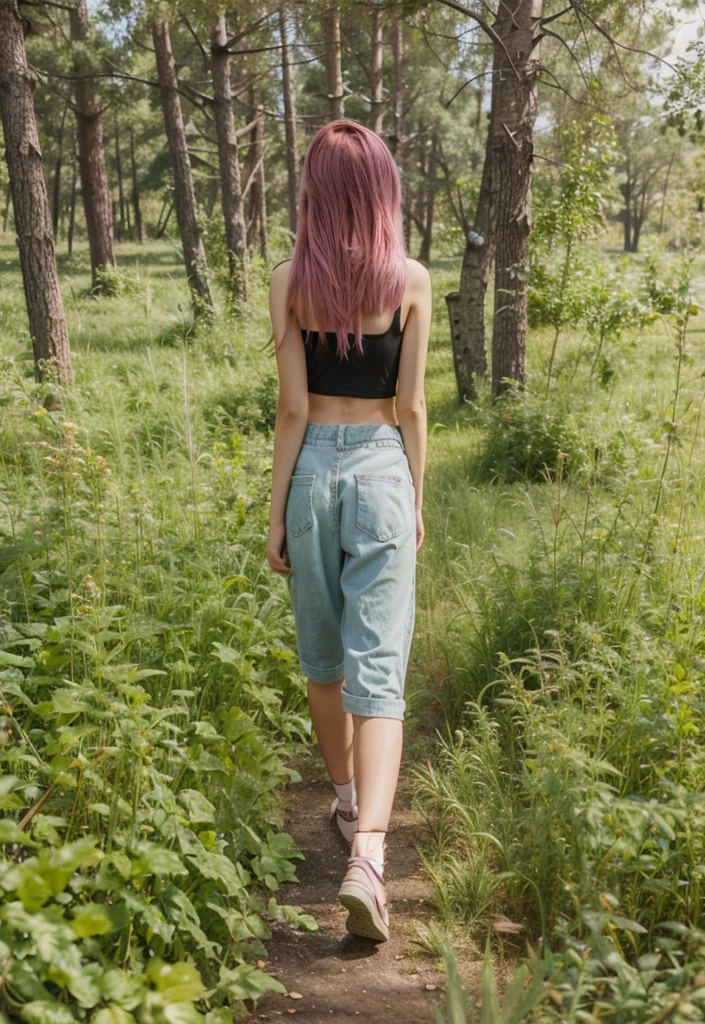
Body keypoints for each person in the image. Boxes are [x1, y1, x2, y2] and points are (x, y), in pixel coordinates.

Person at [265, 118, 431, 943]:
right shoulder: (411, 281)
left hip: (313, 477)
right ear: (381, 190)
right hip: (380, 465)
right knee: (382, 667)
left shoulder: (289, 279)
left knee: (324, 657)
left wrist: (276, 519)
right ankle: (369, 854)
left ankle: (343, 797)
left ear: (314, 192)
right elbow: (411, 407)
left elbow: (292, 409)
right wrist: (417, 497)